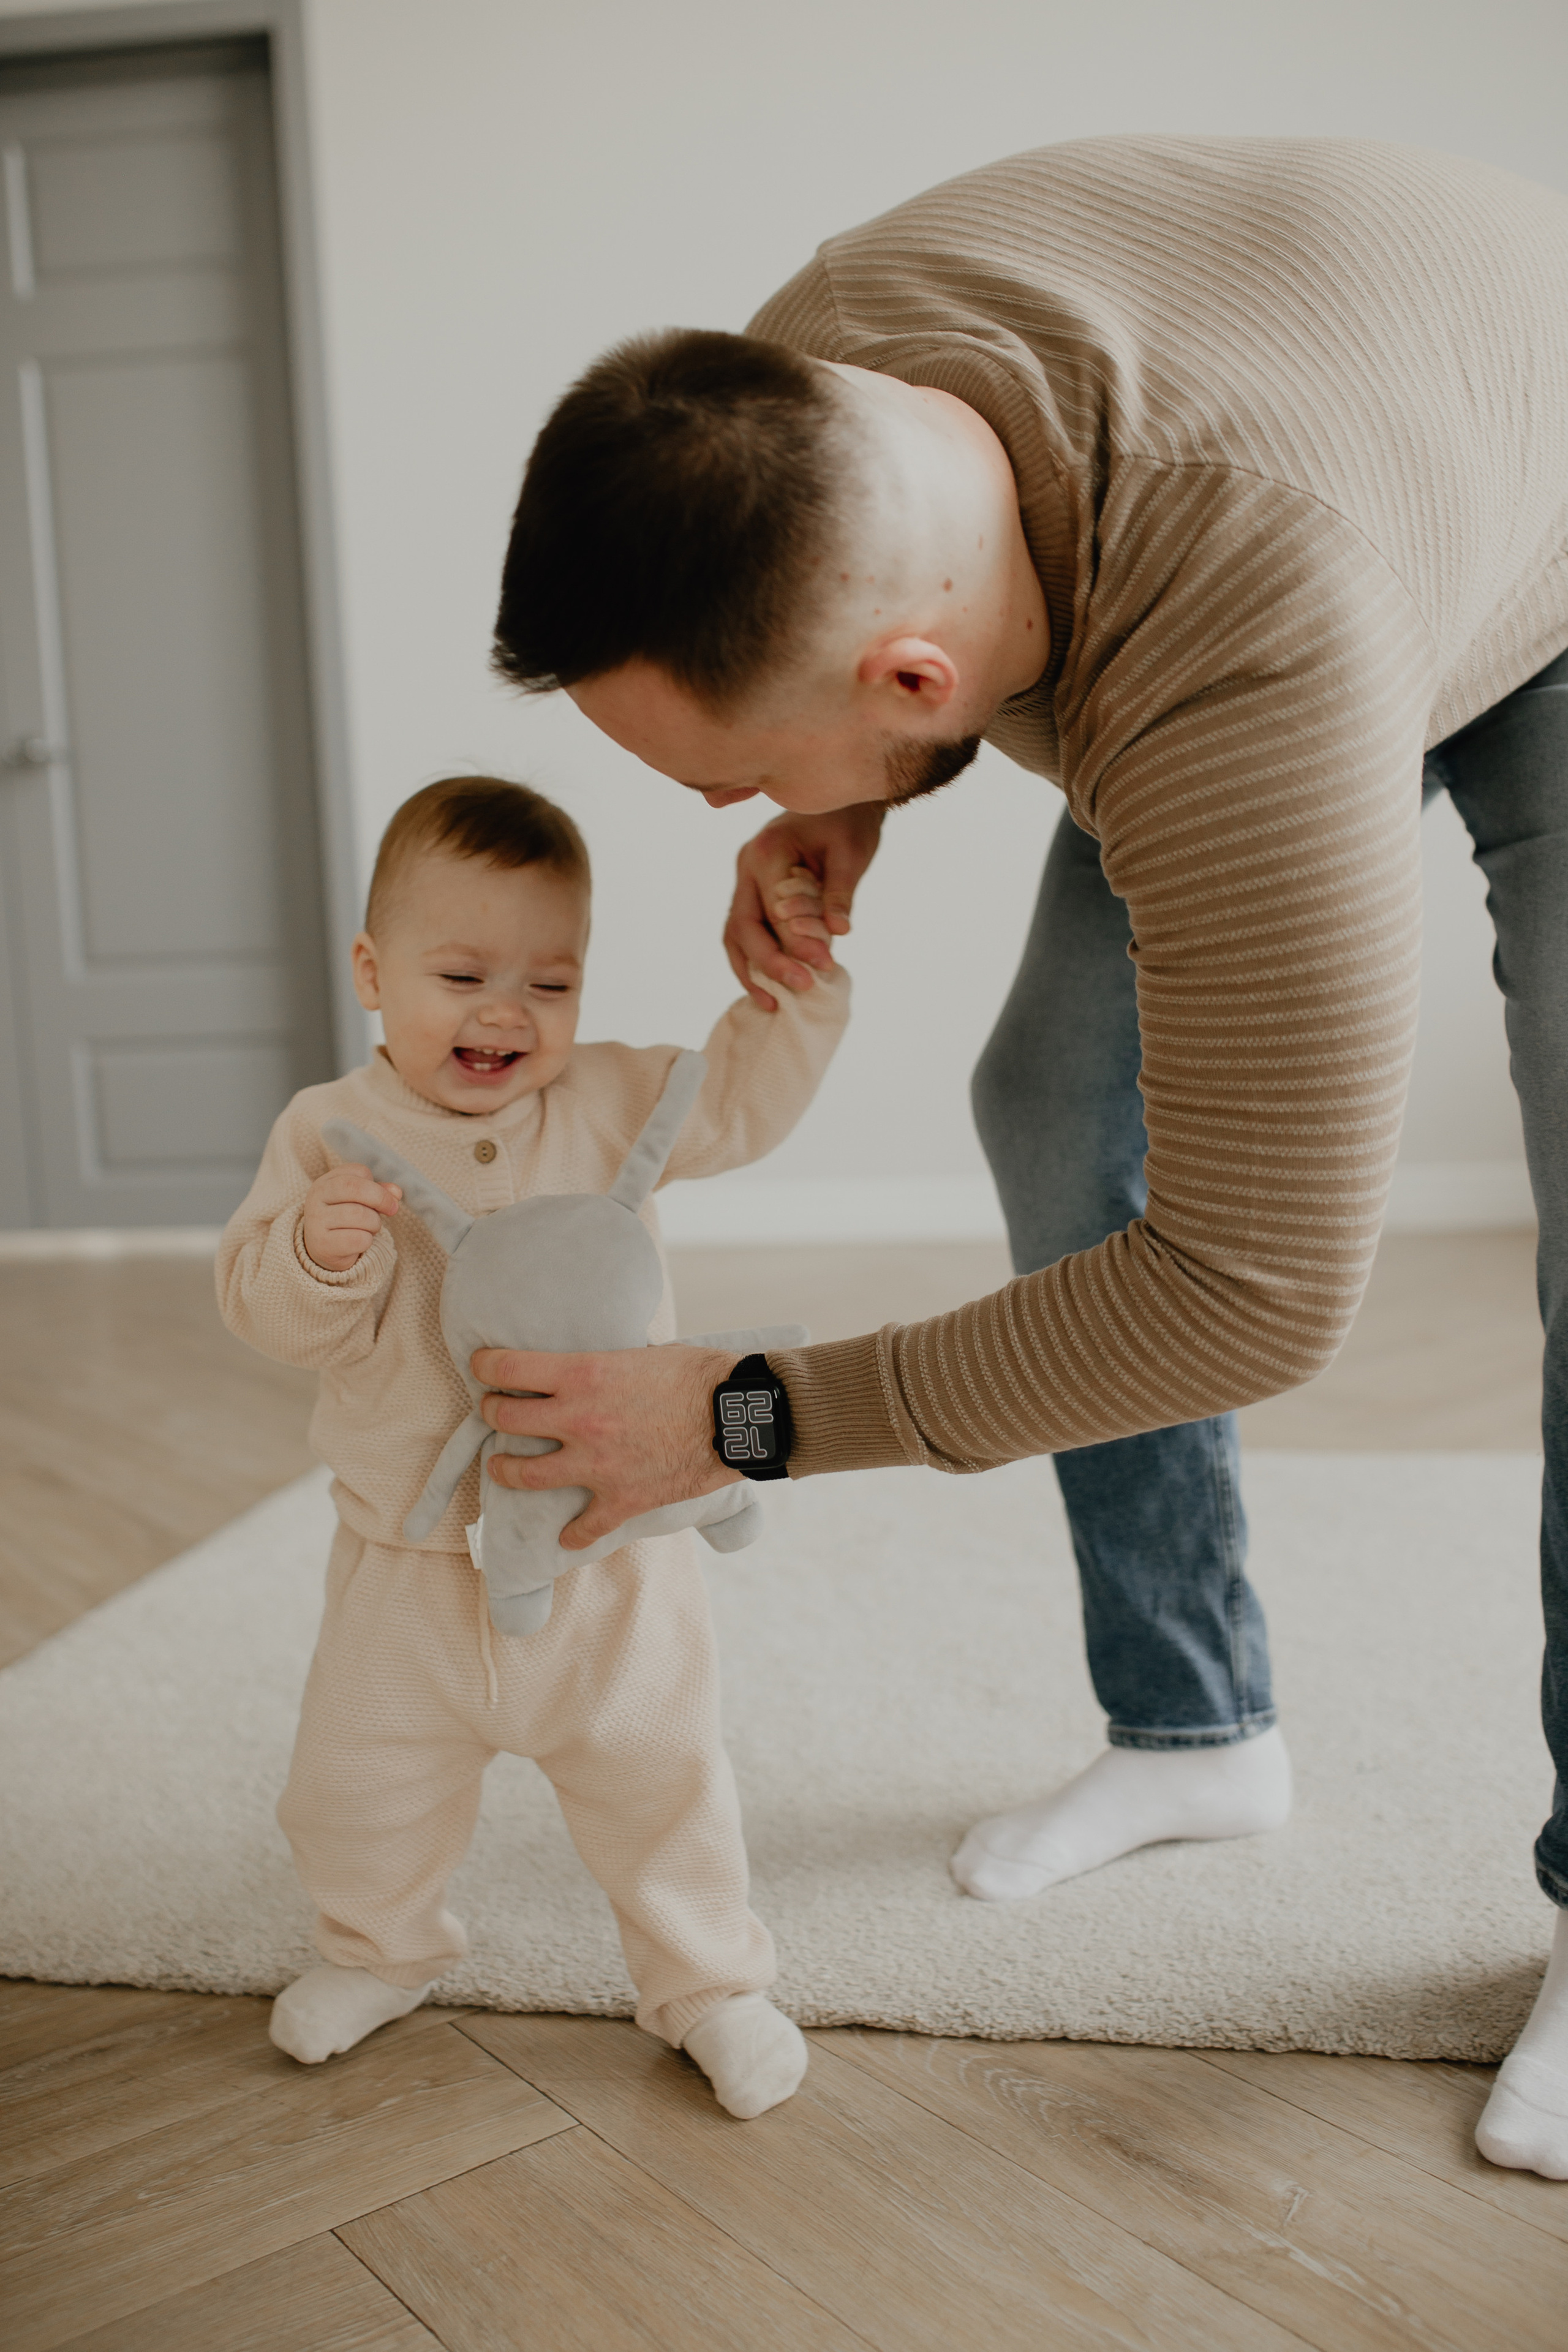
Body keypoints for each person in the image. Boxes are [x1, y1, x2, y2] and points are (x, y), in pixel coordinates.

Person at [478, 138, 1568, 2177]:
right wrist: (853, 802)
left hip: (1528, 533)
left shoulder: (1236, 652)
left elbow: (1258, 1290)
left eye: (742, 775)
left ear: (906, 673)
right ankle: (1196, 1730)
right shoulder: (791, 379)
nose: (745, 812)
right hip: (1306, 462)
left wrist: (745, 1413)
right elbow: (907, 643)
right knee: (1056, 1108)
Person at [217, 774, 848, 2117]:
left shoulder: (613, 1101)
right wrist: (318, 1257)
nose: (507, 1014)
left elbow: (738, 1099)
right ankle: (379, 1950)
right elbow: (262, 1311)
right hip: (405, 1556)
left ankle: (706, 1983)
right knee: (352, 1787)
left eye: (548, 986)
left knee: (664, 1783)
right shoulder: (327, 1135)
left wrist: (799, 984)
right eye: (462, 975)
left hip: (607, 1548)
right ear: (374, 973)